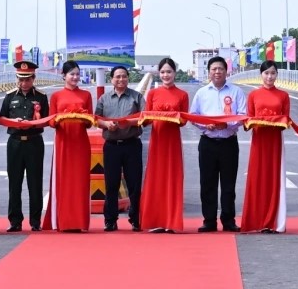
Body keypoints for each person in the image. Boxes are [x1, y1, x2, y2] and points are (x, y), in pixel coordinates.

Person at [191, 55, 247, 232]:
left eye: (220, 69)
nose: (217, 72)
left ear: (226, 71)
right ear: (209, 72)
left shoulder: (236, 92)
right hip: (207, 142)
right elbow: (193, 115)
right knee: (207, 183)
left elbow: (243, 115)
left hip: (228, 142)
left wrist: (228, 125)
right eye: (214, 69)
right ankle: (209, 220)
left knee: (229, 184)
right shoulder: (201, 93)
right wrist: (204, 125)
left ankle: (228, 220)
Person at [43, 59, 95, 232]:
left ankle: (79, 222)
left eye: (77, 74)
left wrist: (82, 118)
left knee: (80, 182)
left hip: (80, 143)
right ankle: (63, 222)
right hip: (63, 143)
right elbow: (51, 121)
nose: (75, 77)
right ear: (64, 75)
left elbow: (90, 122)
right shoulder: (56, 96)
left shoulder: (86, 95)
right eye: (72, 74)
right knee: (63, 181)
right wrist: (61, 118)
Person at [241, 60, 291, 233]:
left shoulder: (283, 96)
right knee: (256, 178)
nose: (269, 77)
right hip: (258, 141)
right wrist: (255, 122)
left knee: (274, 177)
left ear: (277, 75)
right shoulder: (253, 95)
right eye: (266, 73)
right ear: (261, 74)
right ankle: (255, 220)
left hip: (275, 141)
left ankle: (273, 221)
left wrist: (274, 121)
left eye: (273, 73)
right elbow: (248, 120)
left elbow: (286, 120)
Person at [1, 59, 49, 232]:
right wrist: (14, 121)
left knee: (35, 183)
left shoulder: (41, 97)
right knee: (14, 183)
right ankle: (15, 221)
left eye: (27, 79)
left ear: (33, 78)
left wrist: (33, 124)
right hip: (15, 143)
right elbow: (1, 119)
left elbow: (47, 120)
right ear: (17, 79)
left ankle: (35, 221)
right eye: (21, 79)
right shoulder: (10, 96)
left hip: (34, 142)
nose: (24, 83)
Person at [95, 65, 145, 232]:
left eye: (124, 76)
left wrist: (128, 122)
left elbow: (144, 118)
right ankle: (110, 220)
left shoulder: (137, 97)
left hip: (132, 145)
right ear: (112, 80)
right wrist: (106, 124)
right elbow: (96, 119)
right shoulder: (104, 98)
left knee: (134, 184)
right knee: (111, 185)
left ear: (128, 78)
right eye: (117, 76)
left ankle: (136, 219)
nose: (121, 79)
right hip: (112, 146)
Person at [142, 58, 189, 233]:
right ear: (158, 73)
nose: (166, 75)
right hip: (157, 141)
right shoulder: (153, 94)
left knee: (172, 178)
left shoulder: (182, 95)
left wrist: (173, 117)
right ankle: (156, 220)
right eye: (162, 72)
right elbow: (147, 118)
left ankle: (172, 222)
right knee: (156, 178)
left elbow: (184, 120)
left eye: (169, 72)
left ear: (175, 73)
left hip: (172, 141)